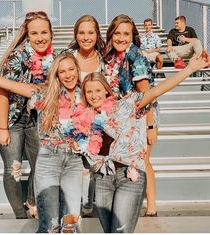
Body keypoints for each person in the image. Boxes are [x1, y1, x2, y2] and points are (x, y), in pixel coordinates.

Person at [72, 51, 209, 233]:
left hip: (129, 176)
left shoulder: (127, 104)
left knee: (120, 231)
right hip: (102, 179)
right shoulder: (83, 119)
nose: (94, 95)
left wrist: (190, 68)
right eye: (89, 91)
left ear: (106, 90)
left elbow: (158, 90)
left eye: (97, 90)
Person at [0, 52, 84, 233]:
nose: (68, 75)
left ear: (77, 70)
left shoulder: (86, 95)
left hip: (74, 163)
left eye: (71, 69)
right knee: (50, 224)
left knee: (71, 224)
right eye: (62, 71)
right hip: (49, 162)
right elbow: (8, 84)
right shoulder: (44, 94)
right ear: (56, 75)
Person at [0, 11, 54, 219]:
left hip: (35, 119)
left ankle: (32, 201)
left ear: (51, 34)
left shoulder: (53, 58)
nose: (40, 37)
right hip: (11, 119)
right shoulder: (17, 57)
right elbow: (2, 92)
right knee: (13, 169)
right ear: (27, 35)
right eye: (34, 33)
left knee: (43, 163)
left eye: (44, 32)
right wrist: (3, 128)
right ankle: (20, 216)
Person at [104, 14, 159, 217]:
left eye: (126, 34)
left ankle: (151, 207)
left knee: (143, 161)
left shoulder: (136, 56)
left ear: (132, 36)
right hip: (127, 118)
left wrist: (150, 127)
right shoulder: (113, 58)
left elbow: (147, 95)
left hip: (144, 118)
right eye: (117, 33)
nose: (121, 37)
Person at [68, 14, 106, 217]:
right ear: (75, 35)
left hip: (99, 118)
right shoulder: (68, 57)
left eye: (90, 32)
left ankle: (90, 204)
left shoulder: (105, 58)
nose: (86, 36)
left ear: (97, 34)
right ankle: (76, 204)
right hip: (73, 118)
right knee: (77, 166)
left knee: (93, 164)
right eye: (81, 32)